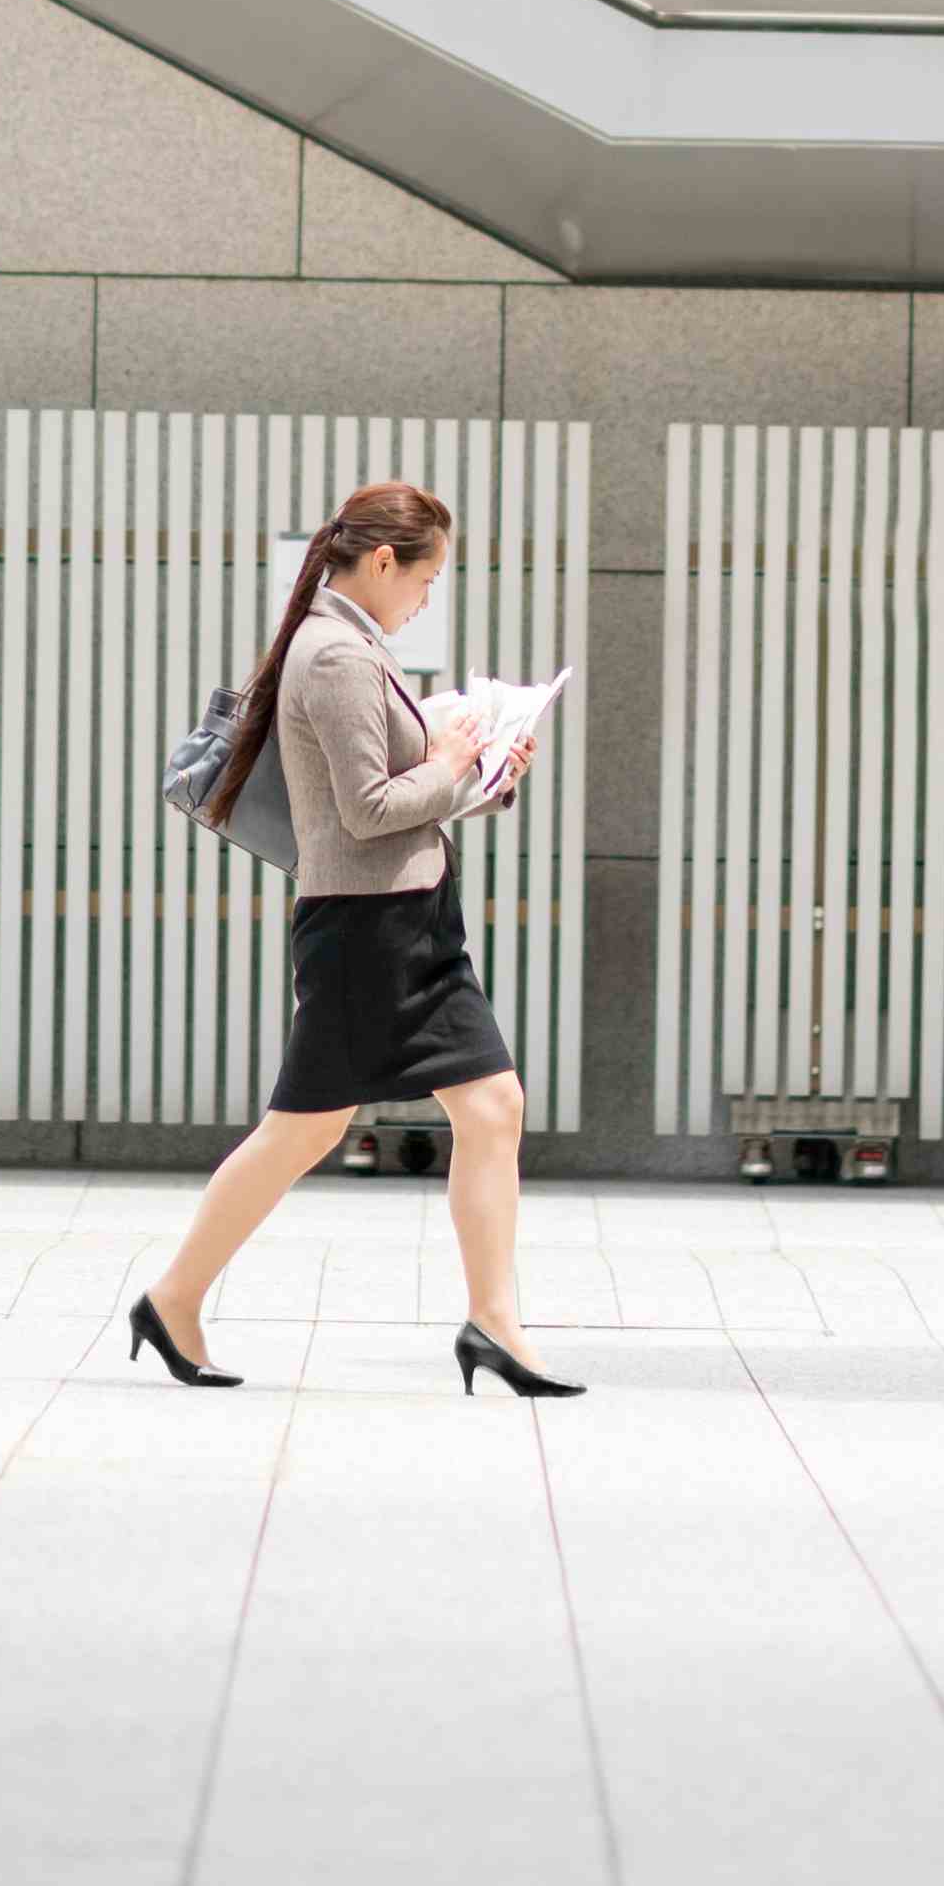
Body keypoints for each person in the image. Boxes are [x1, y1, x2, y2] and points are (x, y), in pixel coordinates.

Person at [130, 474, 576, 1403]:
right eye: (425, 578)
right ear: (381, 560)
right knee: (305, 1126)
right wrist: (455, 761)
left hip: (406, 918)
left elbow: (399, 799)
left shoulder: (348, 648)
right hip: (367, 929)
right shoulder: (332, 656)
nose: (425, 597)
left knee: (490, 1107)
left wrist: (485, 770)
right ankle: (171, 1298)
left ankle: (494, 1323)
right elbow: (368, 809)